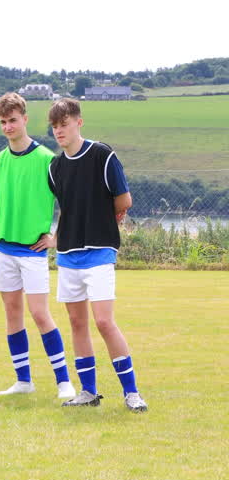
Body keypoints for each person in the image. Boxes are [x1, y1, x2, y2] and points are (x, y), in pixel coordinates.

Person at [47, 98, 147, 412]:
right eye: (54, 126)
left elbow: (124, 201)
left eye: (64, 124)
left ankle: (131, 393)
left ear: (79, 122)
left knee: (104, 322)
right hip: (68, 255)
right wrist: (56, 238)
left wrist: (102, 224)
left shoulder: (102, 155)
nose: (59, 131)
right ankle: (88, 392)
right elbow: (65, 209)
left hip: (99, 251)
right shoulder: (55, 167)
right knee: (77, 324)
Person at [0, 92, 74, 400]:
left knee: (40, 313)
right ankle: (23, 380)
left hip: (33, 251)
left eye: (13, 120)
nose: (8, 127)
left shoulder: (48, 159)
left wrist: (55, 237)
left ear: (25, 119)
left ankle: (63, 382)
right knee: (11, 314)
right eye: (3, 122)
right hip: (4, 250)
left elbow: (68, 203)